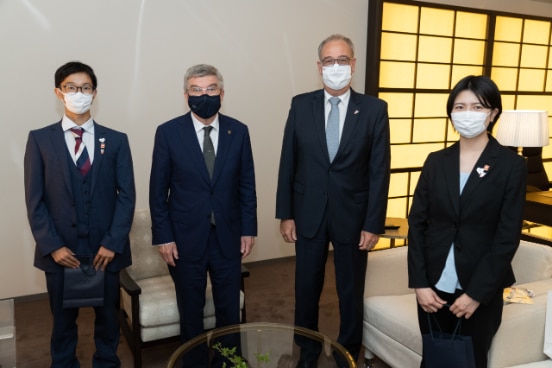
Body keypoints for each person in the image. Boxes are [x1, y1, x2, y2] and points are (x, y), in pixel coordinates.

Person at [275, 34, 391, 366]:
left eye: (342, 60)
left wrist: (373, 223)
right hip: (307, 212)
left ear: (353, 64)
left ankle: (347, 351)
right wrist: (286, 214)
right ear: (319, 66)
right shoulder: (301, 104)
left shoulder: (373, 110)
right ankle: (307, 349)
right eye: (329, 61)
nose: (335, 67)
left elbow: (379, 171)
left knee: (350, 290)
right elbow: (288, 161)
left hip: (353, 217)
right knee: (306, 287)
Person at [407, 75, 527, 368]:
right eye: (459, 107)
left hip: (478, 290)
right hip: (433, 288)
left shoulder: (511, 166)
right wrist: (421, 284)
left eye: (476, 107)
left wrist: (475, 294)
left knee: (469, 362)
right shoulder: (436, 161)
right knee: (434, 359)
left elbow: (506, 237)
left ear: (493, 113)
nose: (467, 114)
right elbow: (417, 224)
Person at [24, 61, 136, 367]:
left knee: (109, 321)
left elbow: (126, 197)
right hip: (61, 253)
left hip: (105, 252)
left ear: (95, 93)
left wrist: (113, 243)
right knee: (62, 325)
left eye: (85, 88)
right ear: (59, 93)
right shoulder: (40, 140)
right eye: (71, 88)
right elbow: (34, 201)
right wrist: (53, 246)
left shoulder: (115, 140)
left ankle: (106, 362)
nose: (79, 93)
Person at [149, 64, 257, 363]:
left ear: (222, 93)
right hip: (184, 241)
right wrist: (164, 238)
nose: (204, 95)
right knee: (191, 311)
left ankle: (228, 362)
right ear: (186, 95)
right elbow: (158, 193)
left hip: (228, 238)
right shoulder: (168, 133)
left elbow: (247, 185)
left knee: (228, 311)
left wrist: (248, 229)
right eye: (197, 90)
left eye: (210, 89)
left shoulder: (239, 131)